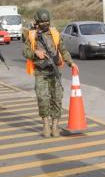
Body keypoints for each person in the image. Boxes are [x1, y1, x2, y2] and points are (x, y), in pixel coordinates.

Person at [23, 9, 77, 138]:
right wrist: (35, 52)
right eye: (42, 21)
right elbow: (24, 52)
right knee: (43, 98)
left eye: (47, 21)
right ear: (37, 21)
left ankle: (55, 125)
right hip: (40, 72)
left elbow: (63, 50)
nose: (45, 23)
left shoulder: (55, 34)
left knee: (57, 98)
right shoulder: (31, 35)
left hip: (55, 71)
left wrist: (71, 63)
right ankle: (46, 124)